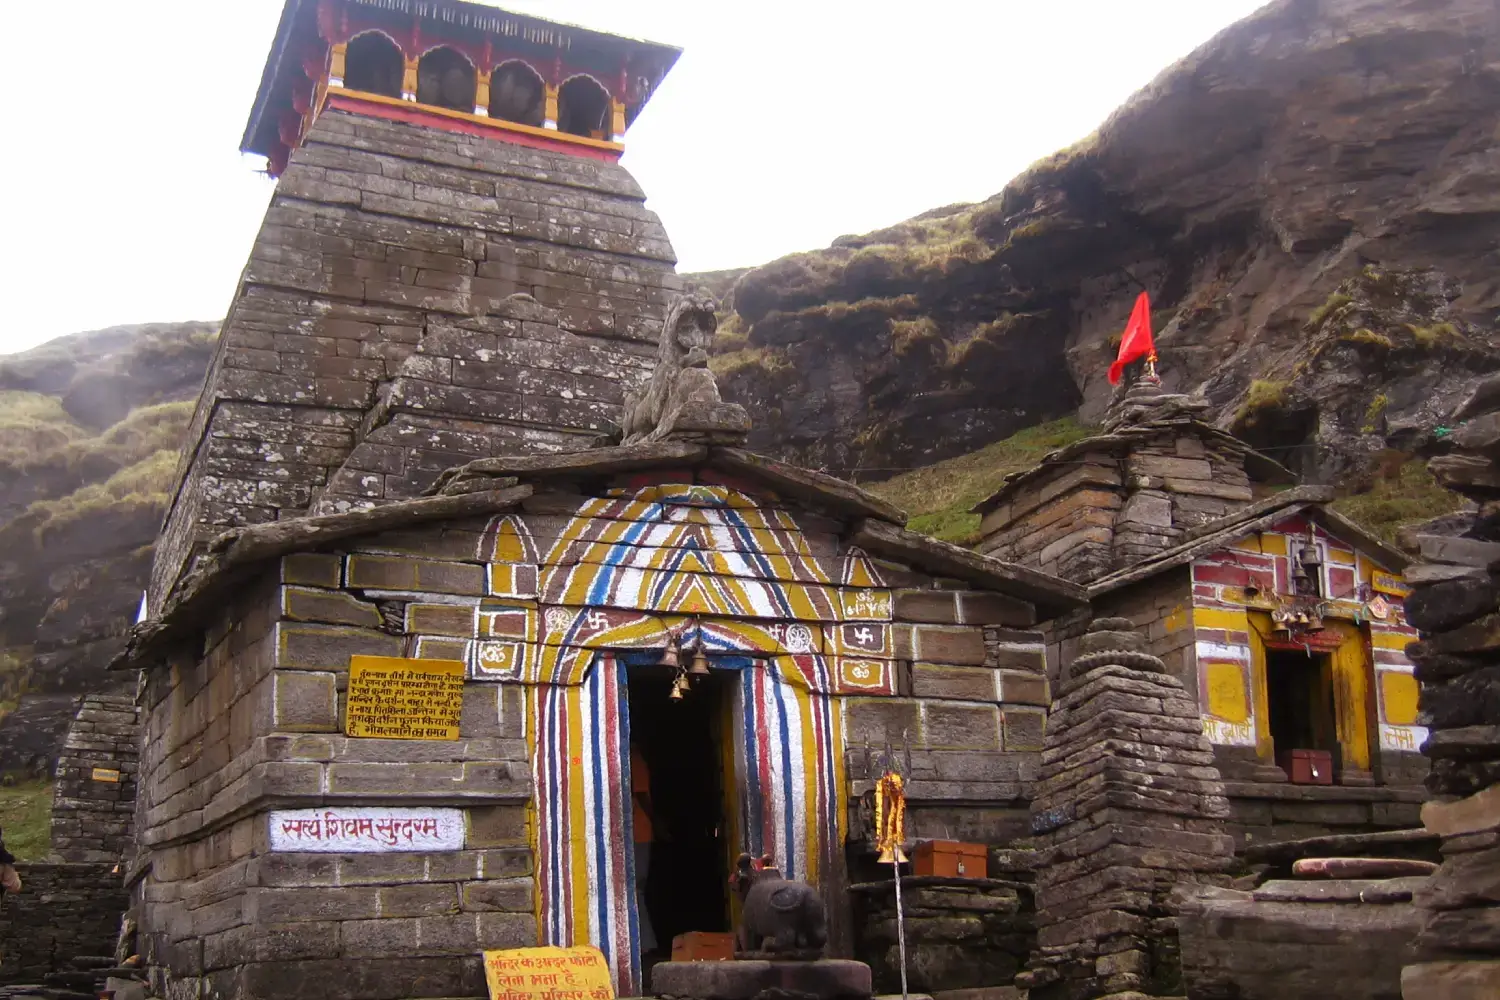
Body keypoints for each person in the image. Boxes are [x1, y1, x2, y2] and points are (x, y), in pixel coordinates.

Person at [630, 742, 658, 956]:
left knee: (635, 889)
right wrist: (656, 821)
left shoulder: (632, 757)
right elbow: (641, 794)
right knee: (637, 888)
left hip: (635, 832)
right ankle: (646, 945)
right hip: (639, 832)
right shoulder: (635, 758)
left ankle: (643, 943)